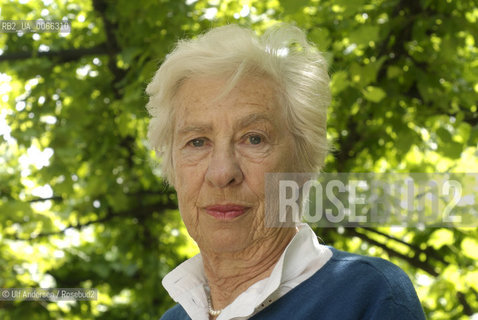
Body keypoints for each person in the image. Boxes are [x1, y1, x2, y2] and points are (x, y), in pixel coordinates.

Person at [145, 24, 426, 320]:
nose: (222, 172)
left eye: (254, 138)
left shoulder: (368, 295)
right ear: (173, 166)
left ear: (303, 161)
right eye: (197, 142)